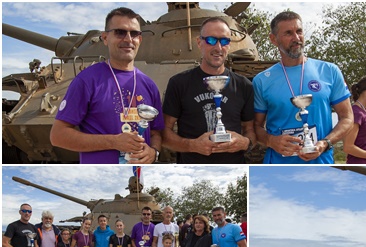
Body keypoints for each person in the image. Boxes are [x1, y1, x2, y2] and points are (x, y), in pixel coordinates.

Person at [50, 7, 163, 164]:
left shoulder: (149, 84)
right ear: (105, 38)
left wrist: (154, 152)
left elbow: (156, 132)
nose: (128, 39)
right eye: (120, 32)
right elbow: (58, 136)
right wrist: (113, 141)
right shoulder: (87, 80)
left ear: (140, 39)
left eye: (134, 33)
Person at [253, 11, 353, 164]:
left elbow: (347, 118)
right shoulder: (262, 80)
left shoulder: (329, 71)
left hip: (321, 163)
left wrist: (325, 143)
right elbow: (255, 127)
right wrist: (271, 141)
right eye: (288, 33)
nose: (296, 38)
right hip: (278, 167)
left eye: (299, 31)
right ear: (273, 39)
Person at [162, 17, 256, 164]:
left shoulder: (244, 85)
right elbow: (164, 133)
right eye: (211, 40)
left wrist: (244, 142)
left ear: (229, 45)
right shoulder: (179, 83)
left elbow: (250, 130)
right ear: (199, 42)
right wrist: (193, 146)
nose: (218, 47)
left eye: (224, 41)